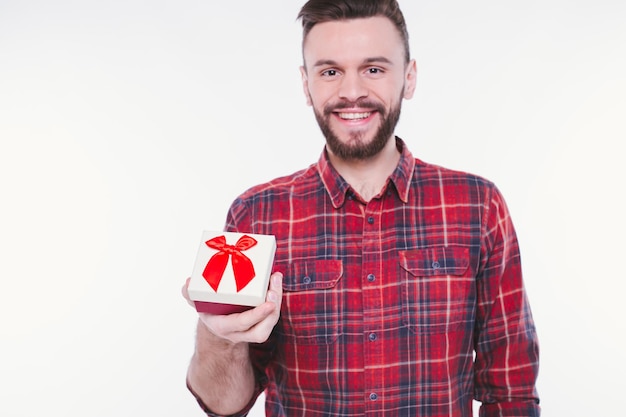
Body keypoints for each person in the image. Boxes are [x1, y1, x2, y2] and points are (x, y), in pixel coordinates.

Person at [182, 0, 540, 416]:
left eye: (373, 68)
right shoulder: (258, 215)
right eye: (331, 71)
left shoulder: (478, 206)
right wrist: (217, 333)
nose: (351, 92)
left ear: (409, 77)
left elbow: (510, 390)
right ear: (306, 83)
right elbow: (225, 404)